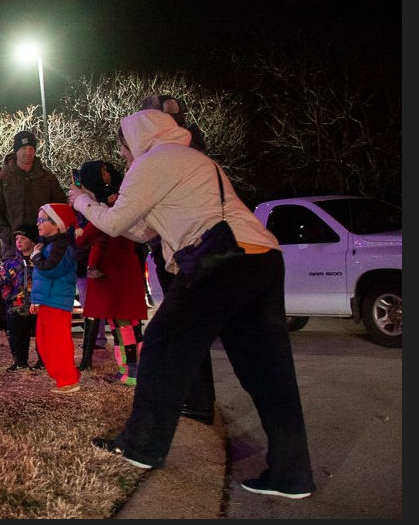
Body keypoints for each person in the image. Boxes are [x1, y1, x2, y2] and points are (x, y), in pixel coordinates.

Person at [70, 109, 315, 499]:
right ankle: (292, 474)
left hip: (217, 262)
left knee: (163, 347)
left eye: (124, 144)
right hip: (262, 257)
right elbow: (141, 229)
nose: (123, 152)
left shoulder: (153, 160)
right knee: (269, 372)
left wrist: (82, 201)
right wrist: (114, 205)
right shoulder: (196, 159)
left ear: (139, 136)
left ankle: (141, 447)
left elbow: (115, 225)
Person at [139, 93, 216, 424]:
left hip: (184, 250)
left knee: (173, 330)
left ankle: (189, 402)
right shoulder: (177, 149)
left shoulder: (175, 152)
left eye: (175, 116)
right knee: (187, 327)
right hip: (174, 248)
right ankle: (196, 398)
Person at [73, 159, 146, 383]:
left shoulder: (109, 205)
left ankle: (130, 371)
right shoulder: (115, 199)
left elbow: (90, 233)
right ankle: (134, 369)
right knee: (127, 324)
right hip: (121, 268)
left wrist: (81, 233)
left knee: (123, 325)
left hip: (114, 271)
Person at [0, 130, 66, 263]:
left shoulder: (47, 178)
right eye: (23, 148)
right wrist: (8, 235)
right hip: (13, 248)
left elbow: (60, 207)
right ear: (16, 151)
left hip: (44, 246)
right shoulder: (1, 179)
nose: (28, 152)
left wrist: (53, 233)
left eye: (31, 148)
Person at [30, 203, 81, 394]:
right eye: (38, 219)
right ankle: (68, 376)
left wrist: (36, 257)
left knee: (56, 342)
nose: (38, 224)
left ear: (58, 224)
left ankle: (68, 379)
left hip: (56, 302)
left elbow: (50, 269)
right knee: (45, 342)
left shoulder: (61, 245)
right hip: (49, 300)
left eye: (43, 220)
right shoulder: (51, 245)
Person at [0, 223, 45, 372]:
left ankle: (43, 360)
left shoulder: (40, 261)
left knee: (42, 334)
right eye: (17, 238)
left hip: (39, 305)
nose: (19, 241)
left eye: (23, 238)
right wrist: (9, 298)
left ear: (33, 241)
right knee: (17, 334)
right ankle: (20, 361)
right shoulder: (10, 264)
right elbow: (4, 283)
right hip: (17, 306)